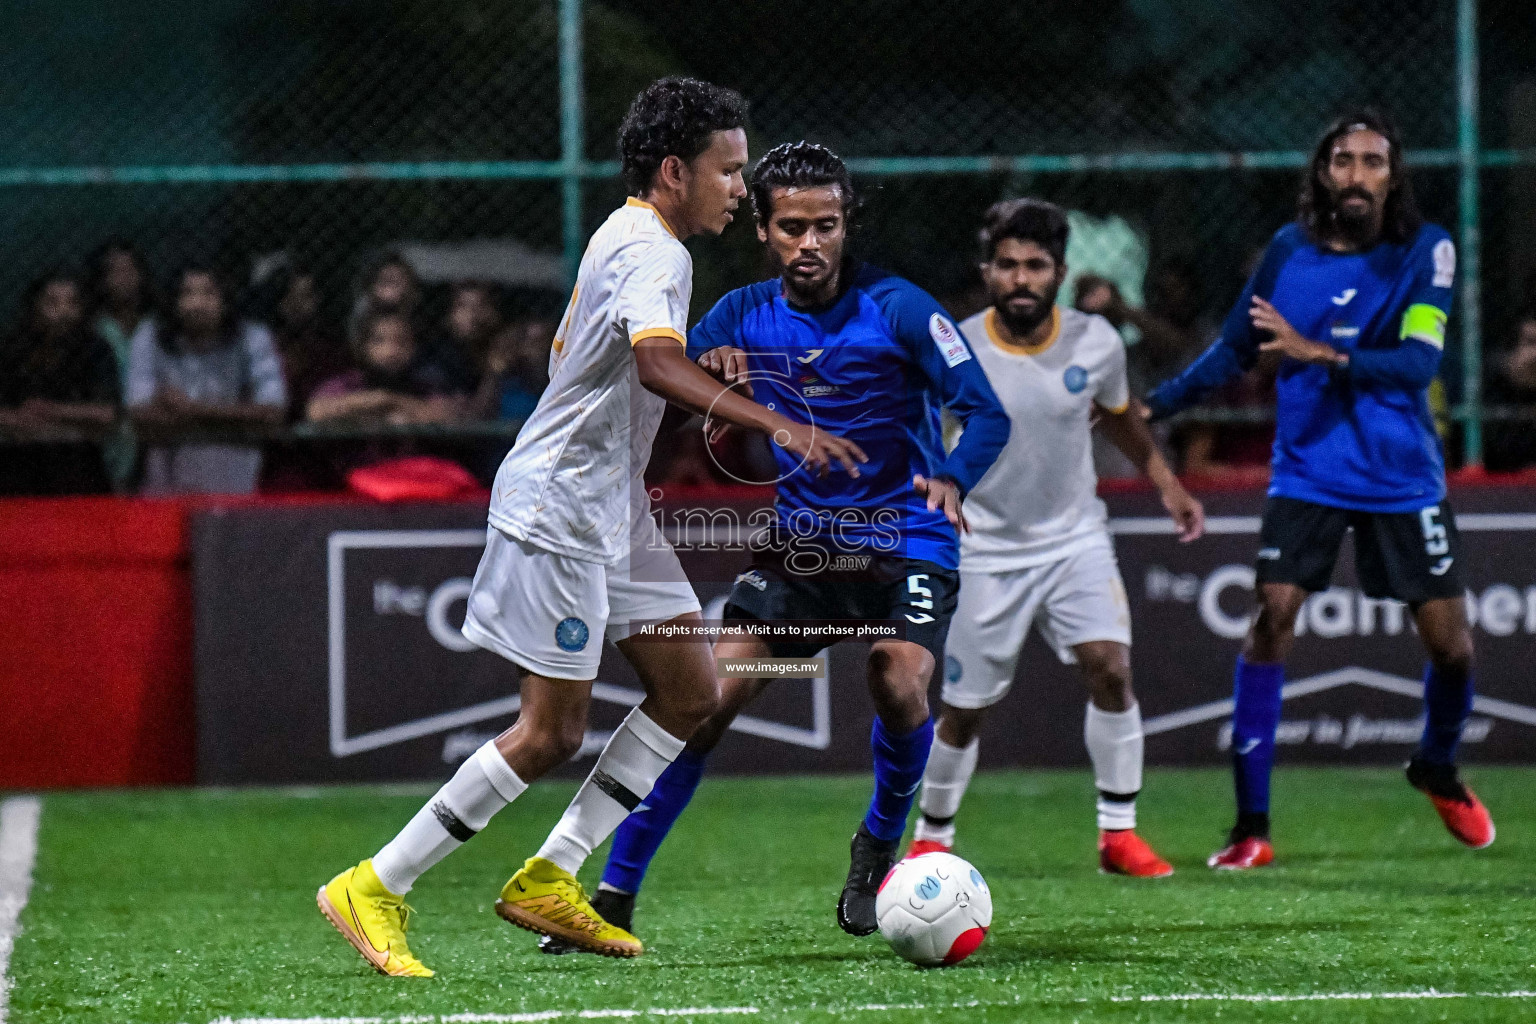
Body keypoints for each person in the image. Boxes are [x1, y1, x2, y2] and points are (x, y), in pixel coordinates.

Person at [317, 78, 863, 976]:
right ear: (673, 170)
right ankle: (375, 885)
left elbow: (639, 363)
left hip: (612, 505)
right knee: (550, 733)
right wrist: (777, 422)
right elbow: (652, 364)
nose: (742, 188)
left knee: (690, 691)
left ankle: (553, 873)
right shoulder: (661, 253)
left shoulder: (631, 233)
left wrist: (706, 372)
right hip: (563, 507)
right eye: (729, 171)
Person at [543, 141, 1010, 954]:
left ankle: (876, 849)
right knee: (707, 703)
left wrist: (956, 477)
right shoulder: (738, 313)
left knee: (898, 679)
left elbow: (987, 410)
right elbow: (669, 372)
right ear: (762, 227)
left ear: (845, 224)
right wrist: (715, 377)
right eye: (792, 226)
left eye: (825, 225)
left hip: (908, 540)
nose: (810, 243)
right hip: (804, 551)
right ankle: (614, 895)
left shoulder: (901, 308)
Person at [1147, 108, 1496, 869]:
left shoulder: (1425, 250)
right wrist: (1156, 404)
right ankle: (1251, 827)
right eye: (1343, 160)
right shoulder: (1288, 252)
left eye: (1374, 161)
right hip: (1308, 471)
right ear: (1323, 173)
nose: (1358, 175)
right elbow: (1236, 348)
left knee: (1454, 650)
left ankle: (1436, 765)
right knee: (1271, 619)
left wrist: (1318, 352)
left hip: (1403, 478)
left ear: (1393, 175)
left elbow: (1417, 363)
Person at [904, 199, 1205, 877]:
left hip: (1074, 539)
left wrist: (1168, 484)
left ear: (1060, 272)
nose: (1020, 278)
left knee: (1111, 667)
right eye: (1006, 265)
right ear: (988, 272)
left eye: (1035, 266)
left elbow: (1121, 418)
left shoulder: (1095, 342)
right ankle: (932, 836)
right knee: (965, 710)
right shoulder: (958, 347)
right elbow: (916, 433)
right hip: (984, 548)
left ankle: (1118, 833)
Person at [126, 263, 287, 494]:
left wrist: (190, 410)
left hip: (235, 481)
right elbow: (139, 415)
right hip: (166, 484)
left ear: (226, 298)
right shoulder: (150, 334)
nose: (197, 304)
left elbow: (273, 412)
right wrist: (238, 414)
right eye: (187, 293)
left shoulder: (252, 337)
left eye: (209, 293)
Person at [0, 270, 121, 495]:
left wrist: (51, 410)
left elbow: (107, 414)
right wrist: (15, 419)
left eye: (72, 303)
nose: (63, 311)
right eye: (52, 302)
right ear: (35, 307)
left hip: (79, 468)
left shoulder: (96, 350)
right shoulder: (11, 349)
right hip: (17, 466)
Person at [86, 239, 155, 490]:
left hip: (151, 431)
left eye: (129, 270)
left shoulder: (157, 327)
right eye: (114, 271)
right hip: (109, 436)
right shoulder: (92, 330)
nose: (123, 278)